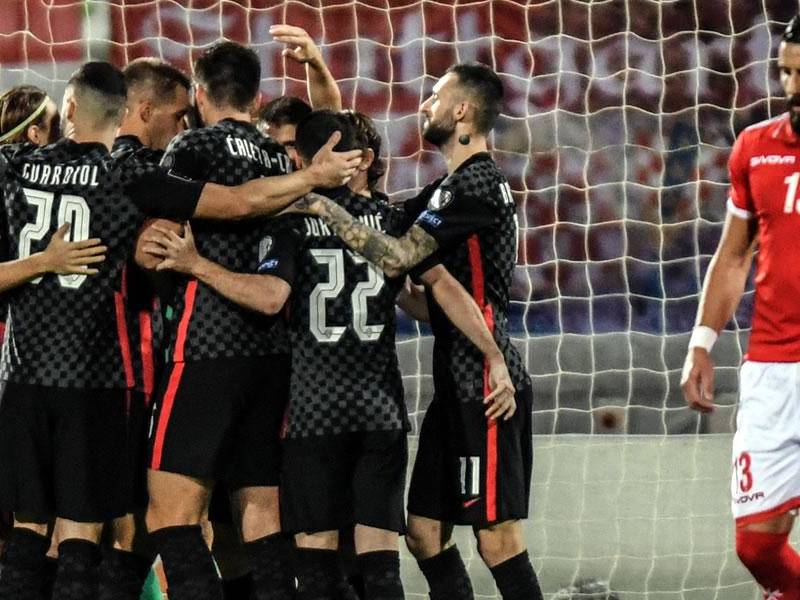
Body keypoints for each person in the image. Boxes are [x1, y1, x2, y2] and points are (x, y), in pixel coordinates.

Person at [0, 59, 362, 600]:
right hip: (139, 372)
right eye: (177, 116)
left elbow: (157, 248)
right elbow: (238, 202)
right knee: (120, 528)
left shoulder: (20, 166)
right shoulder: (143, 174)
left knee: (56, 527)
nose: (182, 125)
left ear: (69, 107)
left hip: (47, 373)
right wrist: (313, 174)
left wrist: (44, 262)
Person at [293, 62, 541, 600]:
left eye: (435, 95)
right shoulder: (448, 188)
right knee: (424, 534)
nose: (425, 105)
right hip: (455, 382)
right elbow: (395, 239)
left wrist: (317, 202)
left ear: (462, 110)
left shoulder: (476, 183)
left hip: (484, 384)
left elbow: (398, 254)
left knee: (497, 539)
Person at [140, 41, 295, 600]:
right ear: (257, 98)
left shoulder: (193, 145)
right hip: (272, 353)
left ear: (200, 93)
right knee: (260, 515)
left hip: (203, 346)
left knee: (170, 515)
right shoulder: (280, 160)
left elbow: (157, 243)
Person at [681, 15, 800, 599]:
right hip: (771, 370)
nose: (791, 87)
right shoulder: (756, 147)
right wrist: (701, 342)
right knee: (756, 546)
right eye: (785, 72)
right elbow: (733, 256)